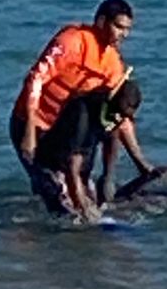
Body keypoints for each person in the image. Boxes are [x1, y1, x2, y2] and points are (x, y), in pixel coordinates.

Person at [10, 0, 159, 199]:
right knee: (52, 189)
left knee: (82, 192)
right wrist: (29, 130)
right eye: (118, 27)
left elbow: (118, 115)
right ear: (101, 21)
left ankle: (98, 190)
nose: (124, 34)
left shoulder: (112, 62)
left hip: (67, 131)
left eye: (127, 29)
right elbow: (36, 78)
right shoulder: (72, 41)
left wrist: (140, 163)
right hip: (34, 123)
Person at [29, 77, 145, 220]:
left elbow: (112, 137)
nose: (119, 119)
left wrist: (107, 177)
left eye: (125, 116)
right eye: (119, 113)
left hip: (81, 170)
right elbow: (72, 168)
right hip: (54, 167)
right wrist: (83, 208)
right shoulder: (81, 116)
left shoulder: (112, 115)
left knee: (100, 207)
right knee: (71, 215)